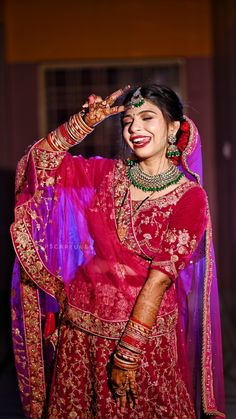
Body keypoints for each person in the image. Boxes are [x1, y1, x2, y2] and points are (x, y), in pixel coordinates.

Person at [11, 84, 225, 418]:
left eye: (147, 117)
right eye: (127, 121)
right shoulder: (107, 174)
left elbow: (159, 280)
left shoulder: (189, 197)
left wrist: (129, 352)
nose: (135, 129)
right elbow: (39, 165)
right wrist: (81, 124)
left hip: (142, 338)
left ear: (173, 127)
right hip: (80, 331)